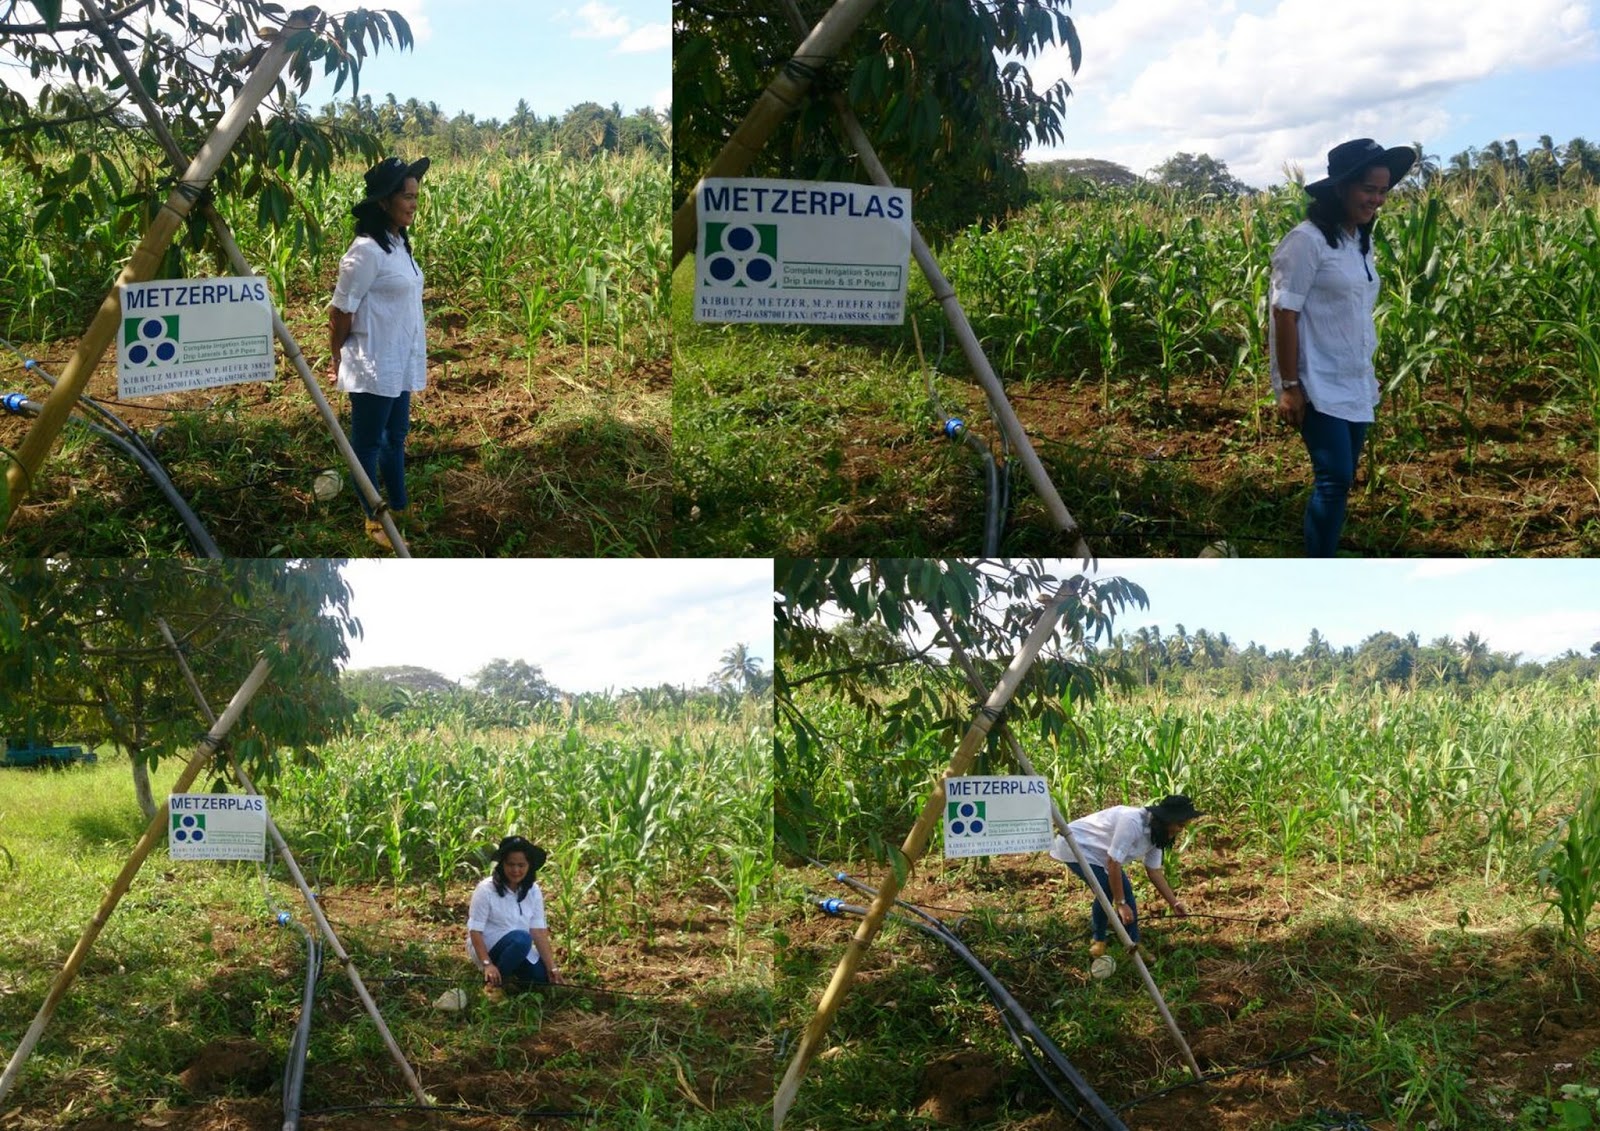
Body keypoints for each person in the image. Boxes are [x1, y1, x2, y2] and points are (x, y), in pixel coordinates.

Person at [1270, 138, 1416, 556]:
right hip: (1314, 379)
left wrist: (1366, 368)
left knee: (1344, 475)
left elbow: (1352, 313)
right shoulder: (1306, 241)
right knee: (1333, 478)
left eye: (1383, 191)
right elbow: (1286, 313)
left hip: (1352, 378)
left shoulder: (1356, 242)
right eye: (1369, 189)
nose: (1377, 199)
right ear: (1341, 188)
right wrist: (1290, 385)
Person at [329, 156, 430, 551]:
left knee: (396, 438)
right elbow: (341, 310)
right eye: (407, 196)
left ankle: (400, 508)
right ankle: (375, 519)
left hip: (397, 360)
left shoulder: (398, 242)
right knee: (368, 444)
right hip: (372, 362)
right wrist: (337, 356)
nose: (414, 203)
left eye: (417, 196)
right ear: (384, 201)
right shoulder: (365, 251)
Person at [1049, 794, 1201, 958]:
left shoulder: (1159, 834)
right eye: (1179, 825)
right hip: (1077, 845)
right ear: (1167, 819)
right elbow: (1113, 862)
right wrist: (1120, 904)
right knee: (1106, 889)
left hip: (1103, 852)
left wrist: (1174, 902)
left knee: (1125, 892)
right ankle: (1098, 941)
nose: (1181, 830)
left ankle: (1133, 943)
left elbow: (1154, 871)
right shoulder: (1132, 822)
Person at [466, 834, 564, 994]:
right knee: (522, 939)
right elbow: (475, 930)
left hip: (519, 949)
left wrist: (551, 966)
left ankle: (509, 974)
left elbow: (538, 931)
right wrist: (487, 964)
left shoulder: (533, 891)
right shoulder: (486, 890)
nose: (516, 870)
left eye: (521, 865)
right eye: (510, 864)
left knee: (541, 978)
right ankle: (494, 985)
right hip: (490, 948)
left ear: (529, 866)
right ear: (502, 864)